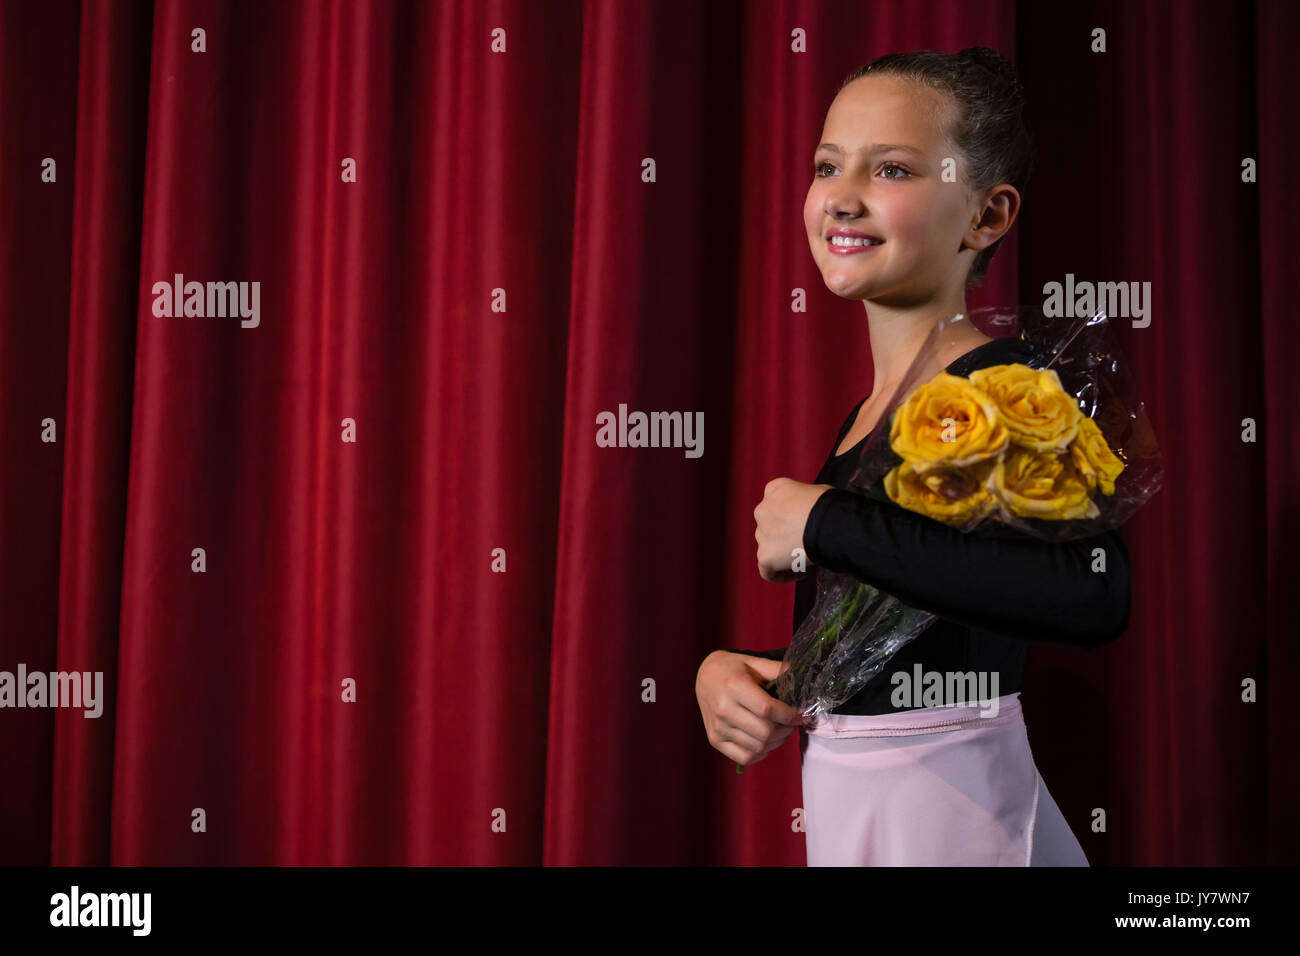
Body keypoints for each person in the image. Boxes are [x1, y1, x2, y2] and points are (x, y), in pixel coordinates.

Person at [694, 47, 1130, 866]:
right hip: (871, 812)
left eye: (891, 169)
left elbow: (1093, 594)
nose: (843, 197)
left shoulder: (1000, 384)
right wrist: (750, 673)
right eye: (829, 165)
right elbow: (912, 640)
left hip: (954, 819)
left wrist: (825, 520)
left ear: (987, 217)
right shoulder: (869, 412)